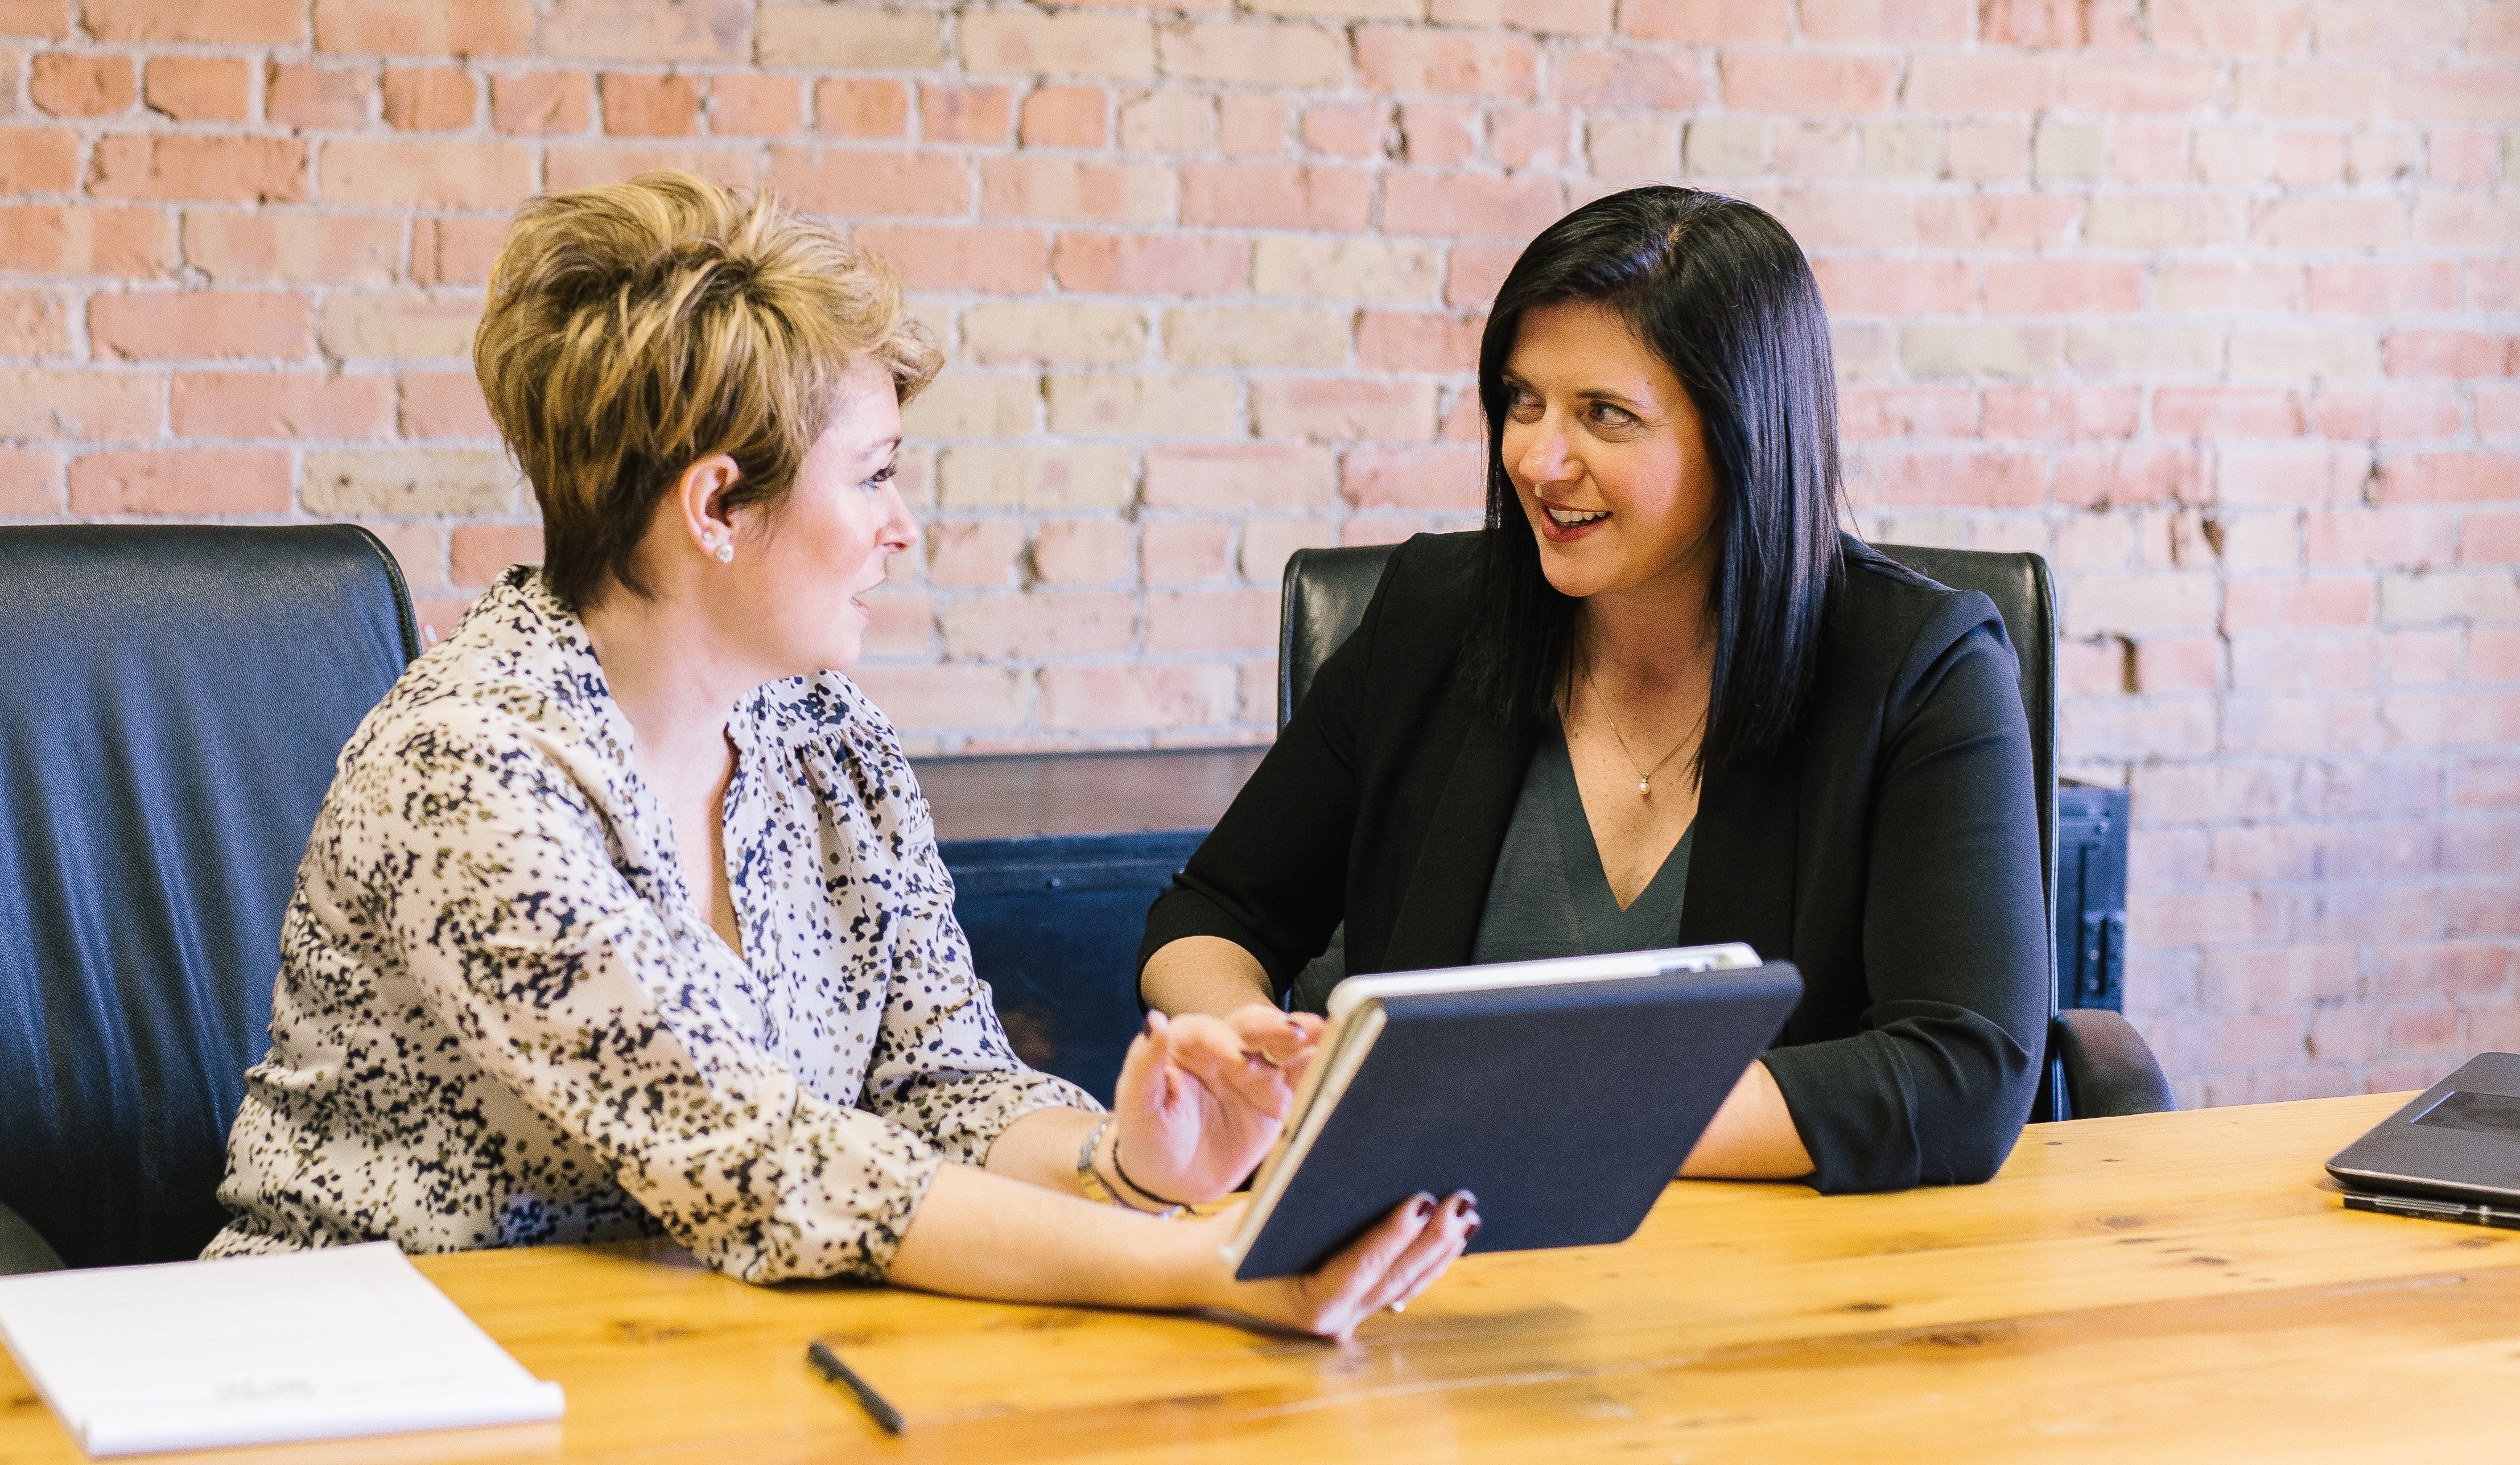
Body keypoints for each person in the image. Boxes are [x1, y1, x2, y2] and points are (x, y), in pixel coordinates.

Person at [201, 171, 1473, 1338]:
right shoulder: (471, 770)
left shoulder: (823, 737)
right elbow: (763, 1160)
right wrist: (1207, 1266)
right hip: (364, 1365)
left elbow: (943, 1084)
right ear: (716, 506)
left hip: (691, 1352)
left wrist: (1132, 1167)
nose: (902, 528)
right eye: (872, 476)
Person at [1138, 186, 2049, 1194]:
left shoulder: (1921, 667)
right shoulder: (1434, 619)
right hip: (1421, 1260)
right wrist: (1243, 1045)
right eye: (1522, 401)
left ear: (1742, 432)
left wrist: (1520, 1117)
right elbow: (1211, 912)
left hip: (1772, 1277)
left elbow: (1962, 1069)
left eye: (1604, 415)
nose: (1537, 458)